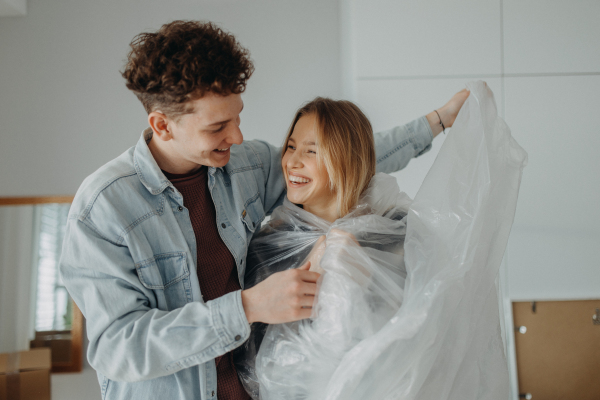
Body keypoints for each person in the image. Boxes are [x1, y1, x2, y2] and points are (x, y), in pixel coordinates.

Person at [59, 20, 468, 400]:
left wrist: (437, 122)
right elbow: (119, 348)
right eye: (217, 127)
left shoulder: (241, 165)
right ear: (163, 125)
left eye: (237, 117)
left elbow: (340, 158)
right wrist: (249, 307)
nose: (236, 136)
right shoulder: (104, 209)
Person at [236, 85, 524, 399]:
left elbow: (432, 342)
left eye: (311, 151)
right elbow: (261, 370)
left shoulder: (397, 233)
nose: (291, 162)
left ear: (345, 159)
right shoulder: (272, 248)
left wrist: (356, 277)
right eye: (290, 147)